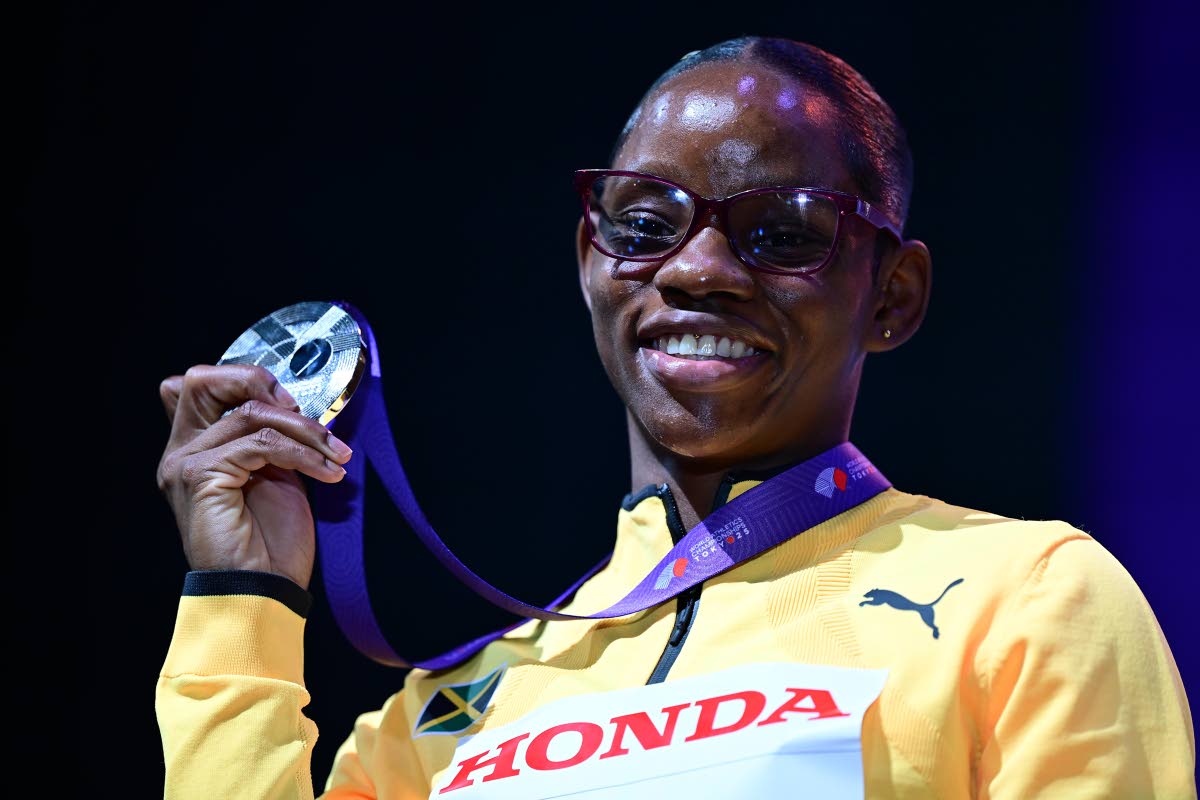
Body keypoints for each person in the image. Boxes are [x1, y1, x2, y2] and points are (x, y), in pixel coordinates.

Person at [154, 37, 1195, 799]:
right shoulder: (446, 711)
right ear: (589, 262)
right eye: (646, 223)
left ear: (894, 297)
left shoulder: (1026, 598)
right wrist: (240, 597)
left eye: (782, 232)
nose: (696, 267)